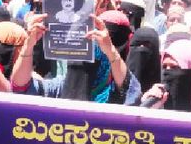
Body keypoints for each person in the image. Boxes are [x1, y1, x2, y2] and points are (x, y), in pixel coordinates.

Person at [11, 12, 140, 105]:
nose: (82, 67)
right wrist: (28, 45)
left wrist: (110, 51)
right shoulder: (62, 87)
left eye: (93, 59)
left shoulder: (111, 95)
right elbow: (21, 87)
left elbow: (129, 90)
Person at [126, 27, 161, 94]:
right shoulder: (119, 77)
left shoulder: (163, 83)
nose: (141, 49)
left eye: (146, 45)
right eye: (137, 44)